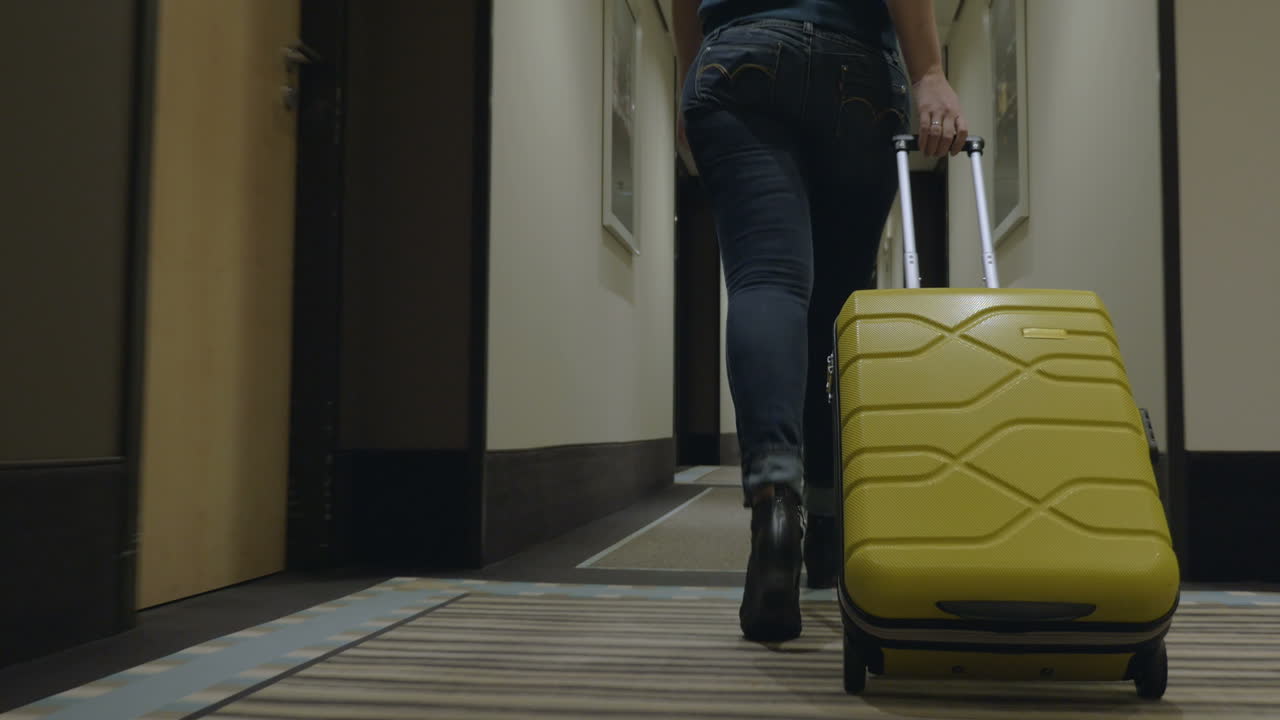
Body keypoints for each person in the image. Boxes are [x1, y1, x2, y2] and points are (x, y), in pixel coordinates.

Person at [672, 0, 968, 642]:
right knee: (836, 306)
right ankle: (830, 524)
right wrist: (928, 72)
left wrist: (691, 73)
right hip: (856, 66)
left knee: (767, 281)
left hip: (736, 60)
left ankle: (775, 503)